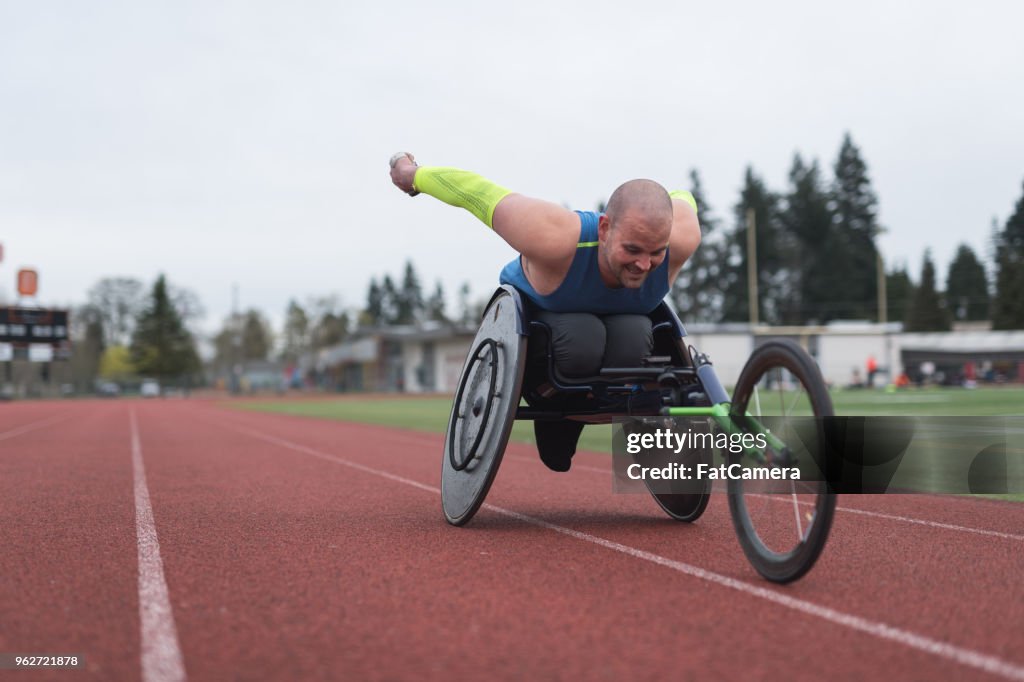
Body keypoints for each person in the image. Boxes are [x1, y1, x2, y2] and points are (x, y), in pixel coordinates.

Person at [389, 152, 701, 470]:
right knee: (583, 334)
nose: (644, 264)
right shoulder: (555, 237)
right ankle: (557, 412)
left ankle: (594, 406)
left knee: (634, 333)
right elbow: (477, 193)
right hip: (544, 330)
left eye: (656, 252)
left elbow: (682, 197)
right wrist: (413, 175)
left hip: (623, 338)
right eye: (632, 249)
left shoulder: (682, 237)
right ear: (605, 230)